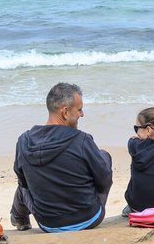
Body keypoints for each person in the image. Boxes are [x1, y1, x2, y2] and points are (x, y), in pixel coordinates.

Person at [11, 82, 113, 232]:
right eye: (79, 110)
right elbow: (103, 183)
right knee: (104, 156)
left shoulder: (23, 141)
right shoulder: (82, 140)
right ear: (65, 112)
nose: (82, 114)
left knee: (22, 188)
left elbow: (24, 183)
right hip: (88, 218)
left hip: (47, 224)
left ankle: (19, 218)